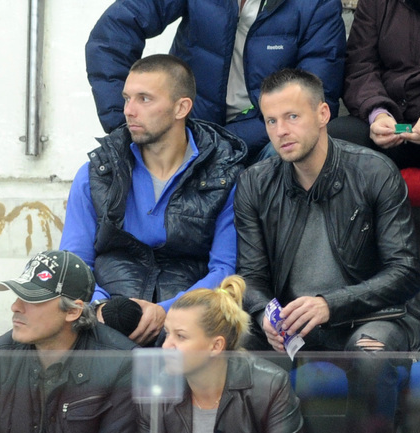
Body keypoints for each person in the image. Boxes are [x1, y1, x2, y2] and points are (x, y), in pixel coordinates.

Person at [234, 68, 420, 433]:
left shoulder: (375, 172)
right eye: (271, 121)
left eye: (292, 116)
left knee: (371, 354)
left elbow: (404, 272)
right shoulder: (254, 182)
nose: (281, 131)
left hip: (375, 315)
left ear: (323, 114)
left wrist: (330, 304)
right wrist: (266, 315)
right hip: (296, 323)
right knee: (227, 343)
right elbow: (250, 276)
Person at [60, 54, 247, 347]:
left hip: (188, 327)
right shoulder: (97, 173)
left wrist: (168, 311)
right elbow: (73, 264)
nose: (129, 110)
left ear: (181, 107)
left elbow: (224, 270)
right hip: (104, 320)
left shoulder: (225, 176)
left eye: (144, 99)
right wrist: (101, 308)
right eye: (127, 98)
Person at [85, 0, 346, 163]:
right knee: (107, 172)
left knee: (291, 156)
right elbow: (111, 37)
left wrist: (219, 145)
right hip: (188, 132)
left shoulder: (317, 4)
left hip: (263, 140)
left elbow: (317, 95)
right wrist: (125, 123)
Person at [326, 0, 420, 302]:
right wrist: (376, 111)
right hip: (389, 122)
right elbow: (359, 66)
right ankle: (342, 297)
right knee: (336, 139)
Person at [0, 250, 138, 432]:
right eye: (18, 296)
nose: (15, 307)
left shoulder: (123, 364)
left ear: (72, 311)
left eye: (32, 298)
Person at [137, 274, 304, 433]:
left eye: (181, 336)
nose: (166, 346)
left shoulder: (270, 387)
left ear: (216, 346)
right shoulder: (156, 392)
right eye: (167, 333)